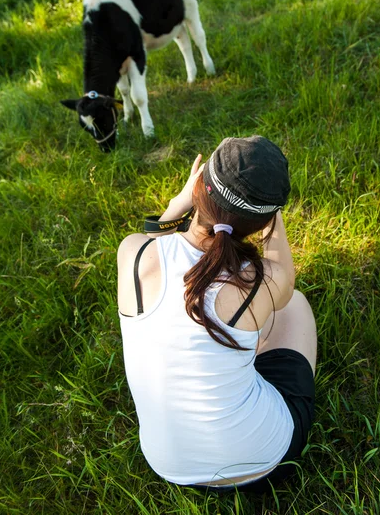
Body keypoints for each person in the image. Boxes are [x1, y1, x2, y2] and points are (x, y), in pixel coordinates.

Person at [117, 136, 317, 492]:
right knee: (296, 306)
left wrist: (178, 204)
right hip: (263, 461)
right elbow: (284, 281)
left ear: (198, 187)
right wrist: (266, 211)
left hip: (169, 467)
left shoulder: (132, 254)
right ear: (264, 221)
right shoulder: (261, 282)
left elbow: (158, 241)